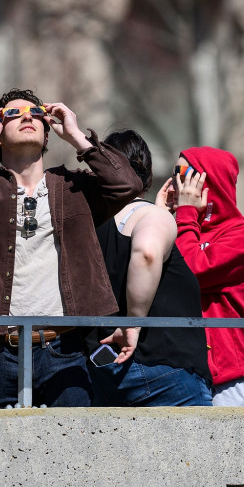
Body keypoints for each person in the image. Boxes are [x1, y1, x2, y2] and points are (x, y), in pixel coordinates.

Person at [0, 88, 142, 409]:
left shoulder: (73, 187)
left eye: (36, 112)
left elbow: (126, 183)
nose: (27, 116)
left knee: (72, 453)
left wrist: (75, 135)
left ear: (47, 132)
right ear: (0, 134)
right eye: (13, 114)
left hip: (64, 350)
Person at [85, 130, 212, 406]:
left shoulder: (88, 224)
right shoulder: (148, 217)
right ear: (147, 174)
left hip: (101, 371)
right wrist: (134, 322)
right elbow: (147, 254)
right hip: (163, 371)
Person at [156, 146, 244, 406]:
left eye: (185, 174)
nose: (177, 183)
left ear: (209, 182)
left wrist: (186, 216)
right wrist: (158, 218)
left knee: (229, 447)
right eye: (175, 174)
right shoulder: (177, 227)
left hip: (224, 375)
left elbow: (190, 274)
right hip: (174, 370)